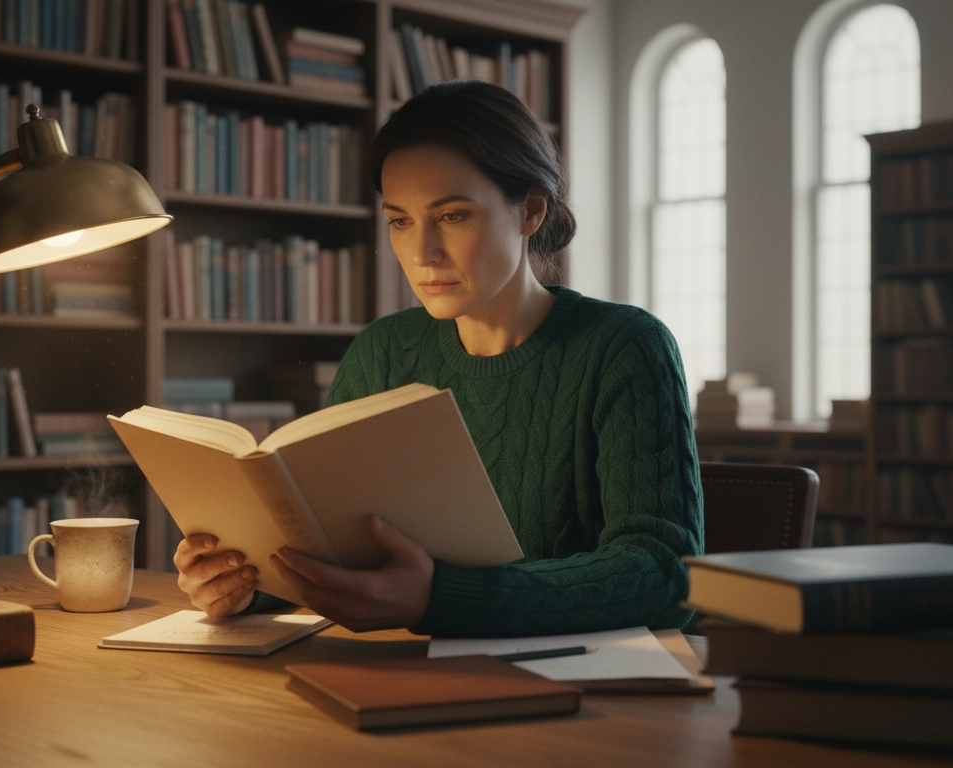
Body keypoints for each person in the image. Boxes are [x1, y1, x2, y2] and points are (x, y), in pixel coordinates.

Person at [174, 79, 704, 638]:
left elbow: (666, 573)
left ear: (530, 210)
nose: (422, 253)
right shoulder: (383, 352)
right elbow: (328, 547)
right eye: (400, 220)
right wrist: (242, 583)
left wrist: (445, 599)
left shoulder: (624, 346)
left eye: (452, 216)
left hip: (577, 687)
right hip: (395, 672)